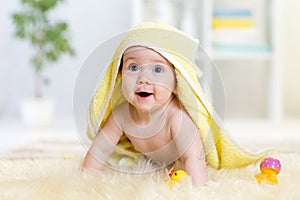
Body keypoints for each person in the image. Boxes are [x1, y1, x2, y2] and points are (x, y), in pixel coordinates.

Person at [82, 22, 262, 187]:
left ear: (177, 82)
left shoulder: (177, 119)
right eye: (133, 67)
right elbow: (99, 151)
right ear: (119, 74)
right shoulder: (121, 115)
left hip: (181, 162)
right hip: (151, 161)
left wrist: (197, 191)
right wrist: (85, 182)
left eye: (158, 69)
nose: (143, 78)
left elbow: (194, 158)